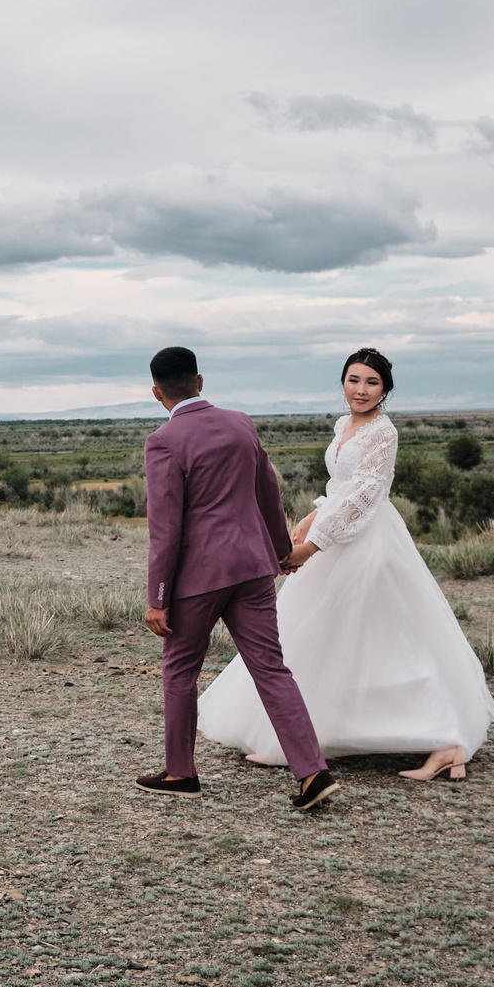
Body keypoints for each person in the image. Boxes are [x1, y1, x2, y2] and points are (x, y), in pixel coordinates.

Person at [197, 347, 494, 783]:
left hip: (369, 543)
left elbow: (362, 497)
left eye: (372, 382)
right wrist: (310, 518)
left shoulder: (383, 433)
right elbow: (340, 487)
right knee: (321, 634)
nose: (361, 390)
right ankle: (296, 738)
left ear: (386, 390)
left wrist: (310, 547)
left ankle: (448, 742)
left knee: (389, 638)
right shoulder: (344, 425)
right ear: (342, 383)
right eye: (354, 380)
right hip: (335, 533)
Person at [133, 346, 339, 812]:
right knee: (270, 667)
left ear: (156, 392)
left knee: (180, 669)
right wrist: (281, 550)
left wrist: (158, 598)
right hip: (252, 568)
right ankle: (312, 772)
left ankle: (180, 772)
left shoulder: (163, 440)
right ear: (200, 382)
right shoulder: (241, 422)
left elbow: (165, 529)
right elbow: (268, 490)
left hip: (199, 578)